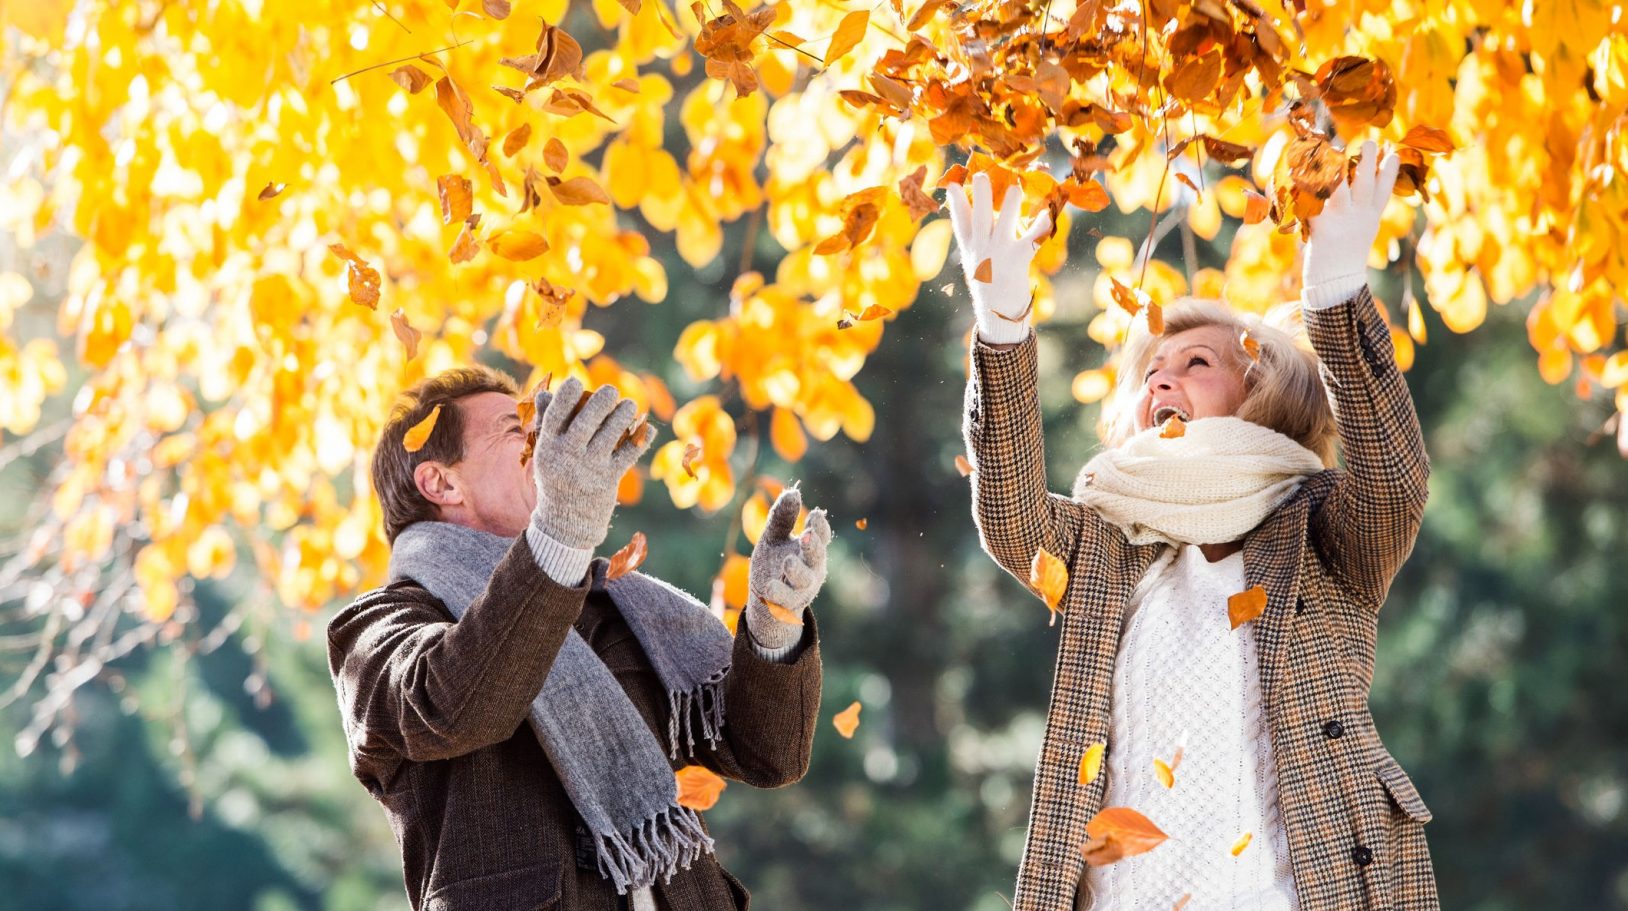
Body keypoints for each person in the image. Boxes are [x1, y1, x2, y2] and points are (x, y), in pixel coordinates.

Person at [948, 141, 1437, 910]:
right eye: (1152, 372)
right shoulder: (1109, 544)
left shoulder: (1322, 532)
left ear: (1261, 393)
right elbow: (1011, 517)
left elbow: (1395, 479)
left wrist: (1337, 294)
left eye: (1196, 363)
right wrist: (1002, 325)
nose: (1163, 378)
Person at [327, 368, 833, 910]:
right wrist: (559, 535)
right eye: (518, 432)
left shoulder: (617, 606)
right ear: (441, 483)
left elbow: (769, 755)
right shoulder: (374, 628)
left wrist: (773, 625)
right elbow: (457, 707)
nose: (546, 445)